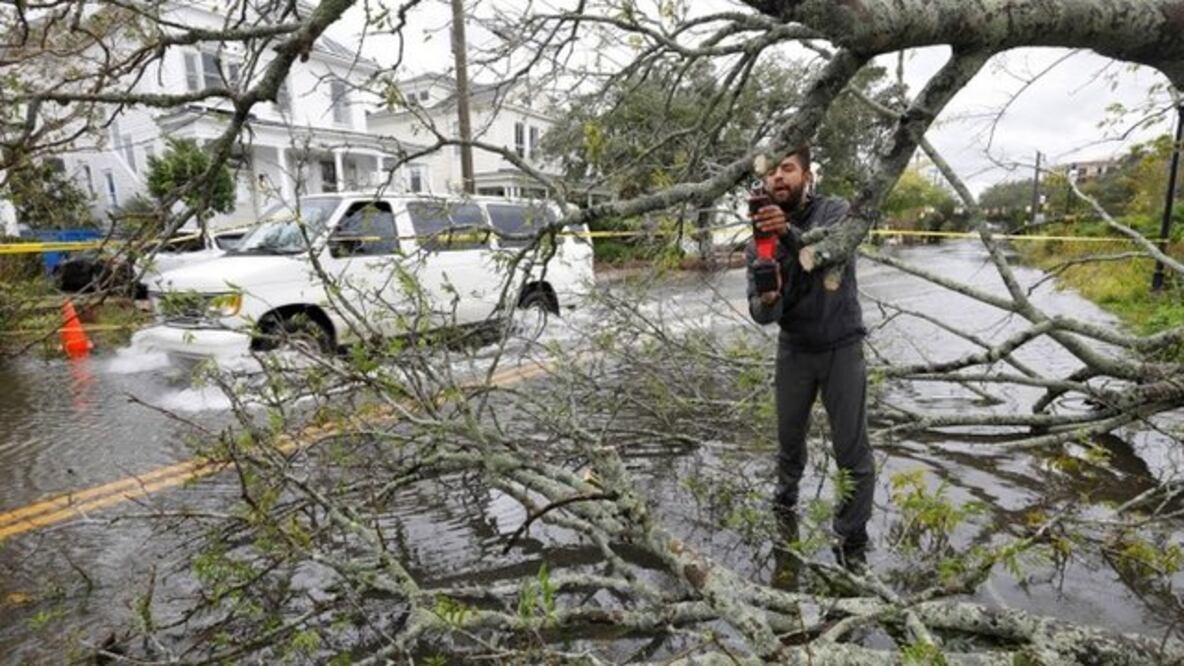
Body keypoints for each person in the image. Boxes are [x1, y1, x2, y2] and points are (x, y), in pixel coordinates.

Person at [745, 145, 875, 569]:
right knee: (788, 442)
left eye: (788, 169)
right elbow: (763, 315)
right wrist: (769, 296)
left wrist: (788, 234)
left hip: (841, 346)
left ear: (807, 175)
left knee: (851, 450)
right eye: (772, 174)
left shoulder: (835, 212)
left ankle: (851, 541)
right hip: (795, 350)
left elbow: (830, 255)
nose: (778, 178)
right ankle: (785, 511)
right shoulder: (757, 244)